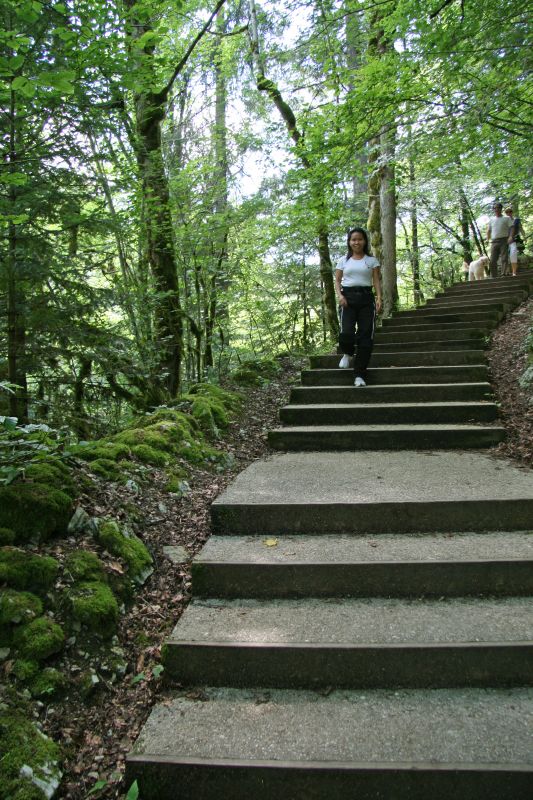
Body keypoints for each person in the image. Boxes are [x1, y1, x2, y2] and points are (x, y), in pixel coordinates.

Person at [335, 227, 382, 387]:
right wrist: (340, 296)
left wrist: (379, 298)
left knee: (365, 337)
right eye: (353, 239)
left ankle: (359, 375)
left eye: (360, 239)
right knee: (346, 332)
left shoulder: (371, 260)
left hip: (367, 299)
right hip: (347, 298)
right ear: (349, 242)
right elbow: (337, 280)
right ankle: (347, 352)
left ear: (365, 241)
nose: (357, 242)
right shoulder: (343, 260)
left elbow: (376, 280)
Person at [487, 202, 513, 277]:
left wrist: (510, 236)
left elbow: (512, 227)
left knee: (504, 258)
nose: (496, 209)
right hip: (494, 241)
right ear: (493, 209)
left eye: (498, 207)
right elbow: (489, 230)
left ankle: (504, 274)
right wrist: (487, 239)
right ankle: (494, 276)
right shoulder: (491, 219)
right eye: (495, 208)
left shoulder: (506, 218)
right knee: (492, 260)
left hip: (504, 240)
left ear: (501, 209)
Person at [505, 207, 525, 276]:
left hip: (515, 239)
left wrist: (524, 236)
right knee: (506, 255)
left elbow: (520, 228)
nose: (508, 213)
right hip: (506, 240)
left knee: (513, 253)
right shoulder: (505, 221)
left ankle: (514, 272)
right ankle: (507, 271)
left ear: (512, 212)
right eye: (507, 212)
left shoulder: (516, 220)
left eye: (510, 211)